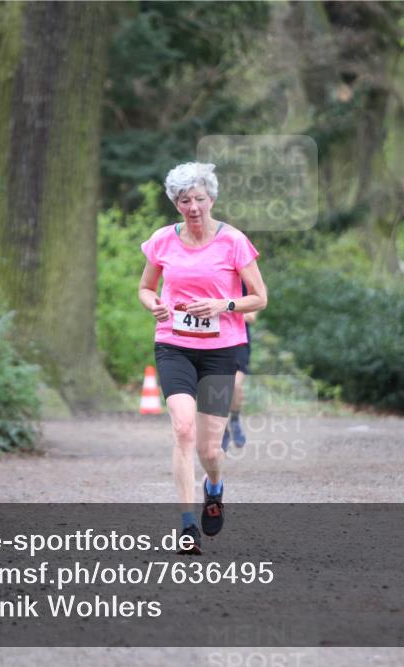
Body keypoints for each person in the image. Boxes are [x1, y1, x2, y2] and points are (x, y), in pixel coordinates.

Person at [138, 162, 267, 555]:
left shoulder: (233, 242)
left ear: (211, 199)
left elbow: (259, 297)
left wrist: (223, 303)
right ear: (176, 204)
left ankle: (214, 487)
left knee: (210, 449)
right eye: (183, 200)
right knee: (182, 429)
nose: (192, 207)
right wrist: (155, 305)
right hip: (174, 344)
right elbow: (145, 288)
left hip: (220, 350)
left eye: (198, 199)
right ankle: (187, 523)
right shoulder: (162, 240)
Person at [222, 281, 255, 451]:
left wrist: (223, 306)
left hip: (239, 341)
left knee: (234, 385)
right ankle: (221, 429)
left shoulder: (250, 282)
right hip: (213, 340)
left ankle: (234, 419)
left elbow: (251, 316)